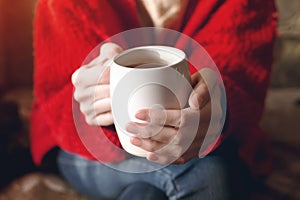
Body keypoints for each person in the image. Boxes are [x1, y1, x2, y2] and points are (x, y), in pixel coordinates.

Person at [30, 0, 277, 199]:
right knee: (206, 172)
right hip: (81, 148)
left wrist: (217, 105)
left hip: (211, 146)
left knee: (145, 194)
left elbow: (243, 84)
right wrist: (91, 105)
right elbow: (57, 99)